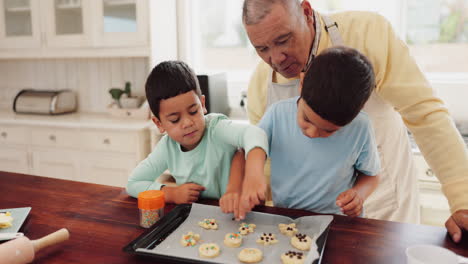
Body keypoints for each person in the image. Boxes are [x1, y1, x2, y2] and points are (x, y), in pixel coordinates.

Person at [242, 0, 468, 242]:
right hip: (301, 226)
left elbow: (424, 114)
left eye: (283, 40)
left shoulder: (368, 33)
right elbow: (264, 164)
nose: (276, 58)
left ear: (306, 12)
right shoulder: (260, 86)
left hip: (382, 207)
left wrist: (463, 199)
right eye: (261, 49)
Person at [240, 46, 380, 218]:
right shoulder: (278, 114)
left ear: (356, 113)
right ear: (302, 83)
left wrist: (359, 195)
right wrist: (253, 175)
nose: (313, 133)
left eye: (328, 130)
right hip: (288, 218)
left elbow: (371, 175)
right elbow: (252, 144)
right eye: (307, 119)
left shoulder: (360, 127)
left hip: (337, 220)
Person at [126, 61, 268, 215]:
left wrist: (254, 176)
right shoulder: (167, 147)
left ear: (202, 104)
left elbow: (255, 134)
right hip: (201, 218)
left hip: (239, 213)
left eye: (193, 111)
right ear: (159, 123)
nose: (187, 123)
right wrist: (172, 194)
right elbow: (133, 184)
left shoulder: (216, 128)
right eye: (175, 119)